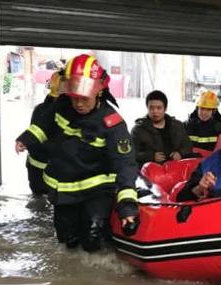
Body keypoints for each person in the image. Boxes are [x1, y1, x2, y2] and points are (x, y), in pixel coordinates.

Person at [15, 54, 139, 252]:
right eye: (74, 98)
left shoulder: (113, 124)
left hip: (97, 191)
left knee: (93, 238)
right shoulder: (62, 105)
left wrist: (127, 207)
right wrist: (26, 139)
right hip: (65, 189)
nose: (79, 104)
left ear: (98, 92)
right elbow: (44, 124)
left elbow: (125, 164)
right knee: (67, 240)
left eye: (84, 99)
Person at [131, 90, 194, 166]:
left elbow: (188, 145)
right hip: (151, 172)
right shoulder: (138, 130)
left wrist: (180, 153)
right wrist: (151, 156)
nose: (155, 111)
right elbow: (131, 154)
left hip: (176, 169)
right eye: (151, 108)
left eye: (159, 108)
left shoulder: (177, 125)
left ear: (165, 108)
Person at [25, 70, 63, 195]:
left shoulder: (39, 109)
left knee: (38, 202)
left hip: (36, 169)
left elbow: (33, 136)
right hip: (58, 172)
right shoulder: (71, 113)